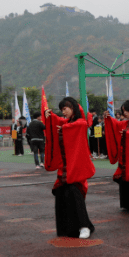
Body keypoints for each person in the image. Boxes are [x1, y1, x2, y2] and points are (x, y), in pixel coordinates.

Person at [44, 98, 95, 239]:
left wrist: (65, 129)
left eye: (65, 108)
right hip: (65, 169)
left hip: (76, 169)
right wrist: (50, 116)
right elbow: (59, 122)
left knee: (75, 195)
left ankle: (85, 226)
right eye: (61, 110)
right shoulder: (67, 123)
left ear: (73, 108)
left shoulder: (80, 122)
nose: (63, 112)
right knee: (62, 194)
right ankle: (69, 228)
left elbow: (78, 125)